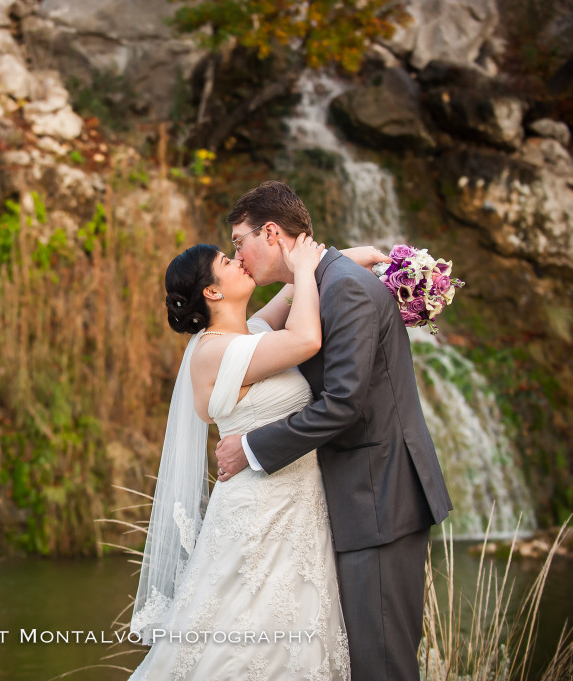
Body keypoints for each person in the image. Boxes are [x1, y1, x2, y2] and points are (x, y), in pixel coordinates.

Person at [215, 181, 453, 681]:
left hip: (380, 497)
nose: (238, 254)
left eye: (240, 240)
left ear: (273, 233)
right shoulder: (326, 281)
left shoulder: (342, 287)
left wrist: (252, 448)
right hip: (364, 498)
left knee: (382, 664)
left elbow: (343, 402)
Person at [129, 232, 385, 680]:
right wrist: (306, 269)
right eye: (227, 260)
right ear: (211, 291)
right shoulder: (214, 351)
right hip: (259, 513)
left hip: (299, 509)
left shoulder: (251, 335)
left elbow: (289, 295)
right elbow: (305, 338)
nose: (239, 261)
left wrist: (336, 258)